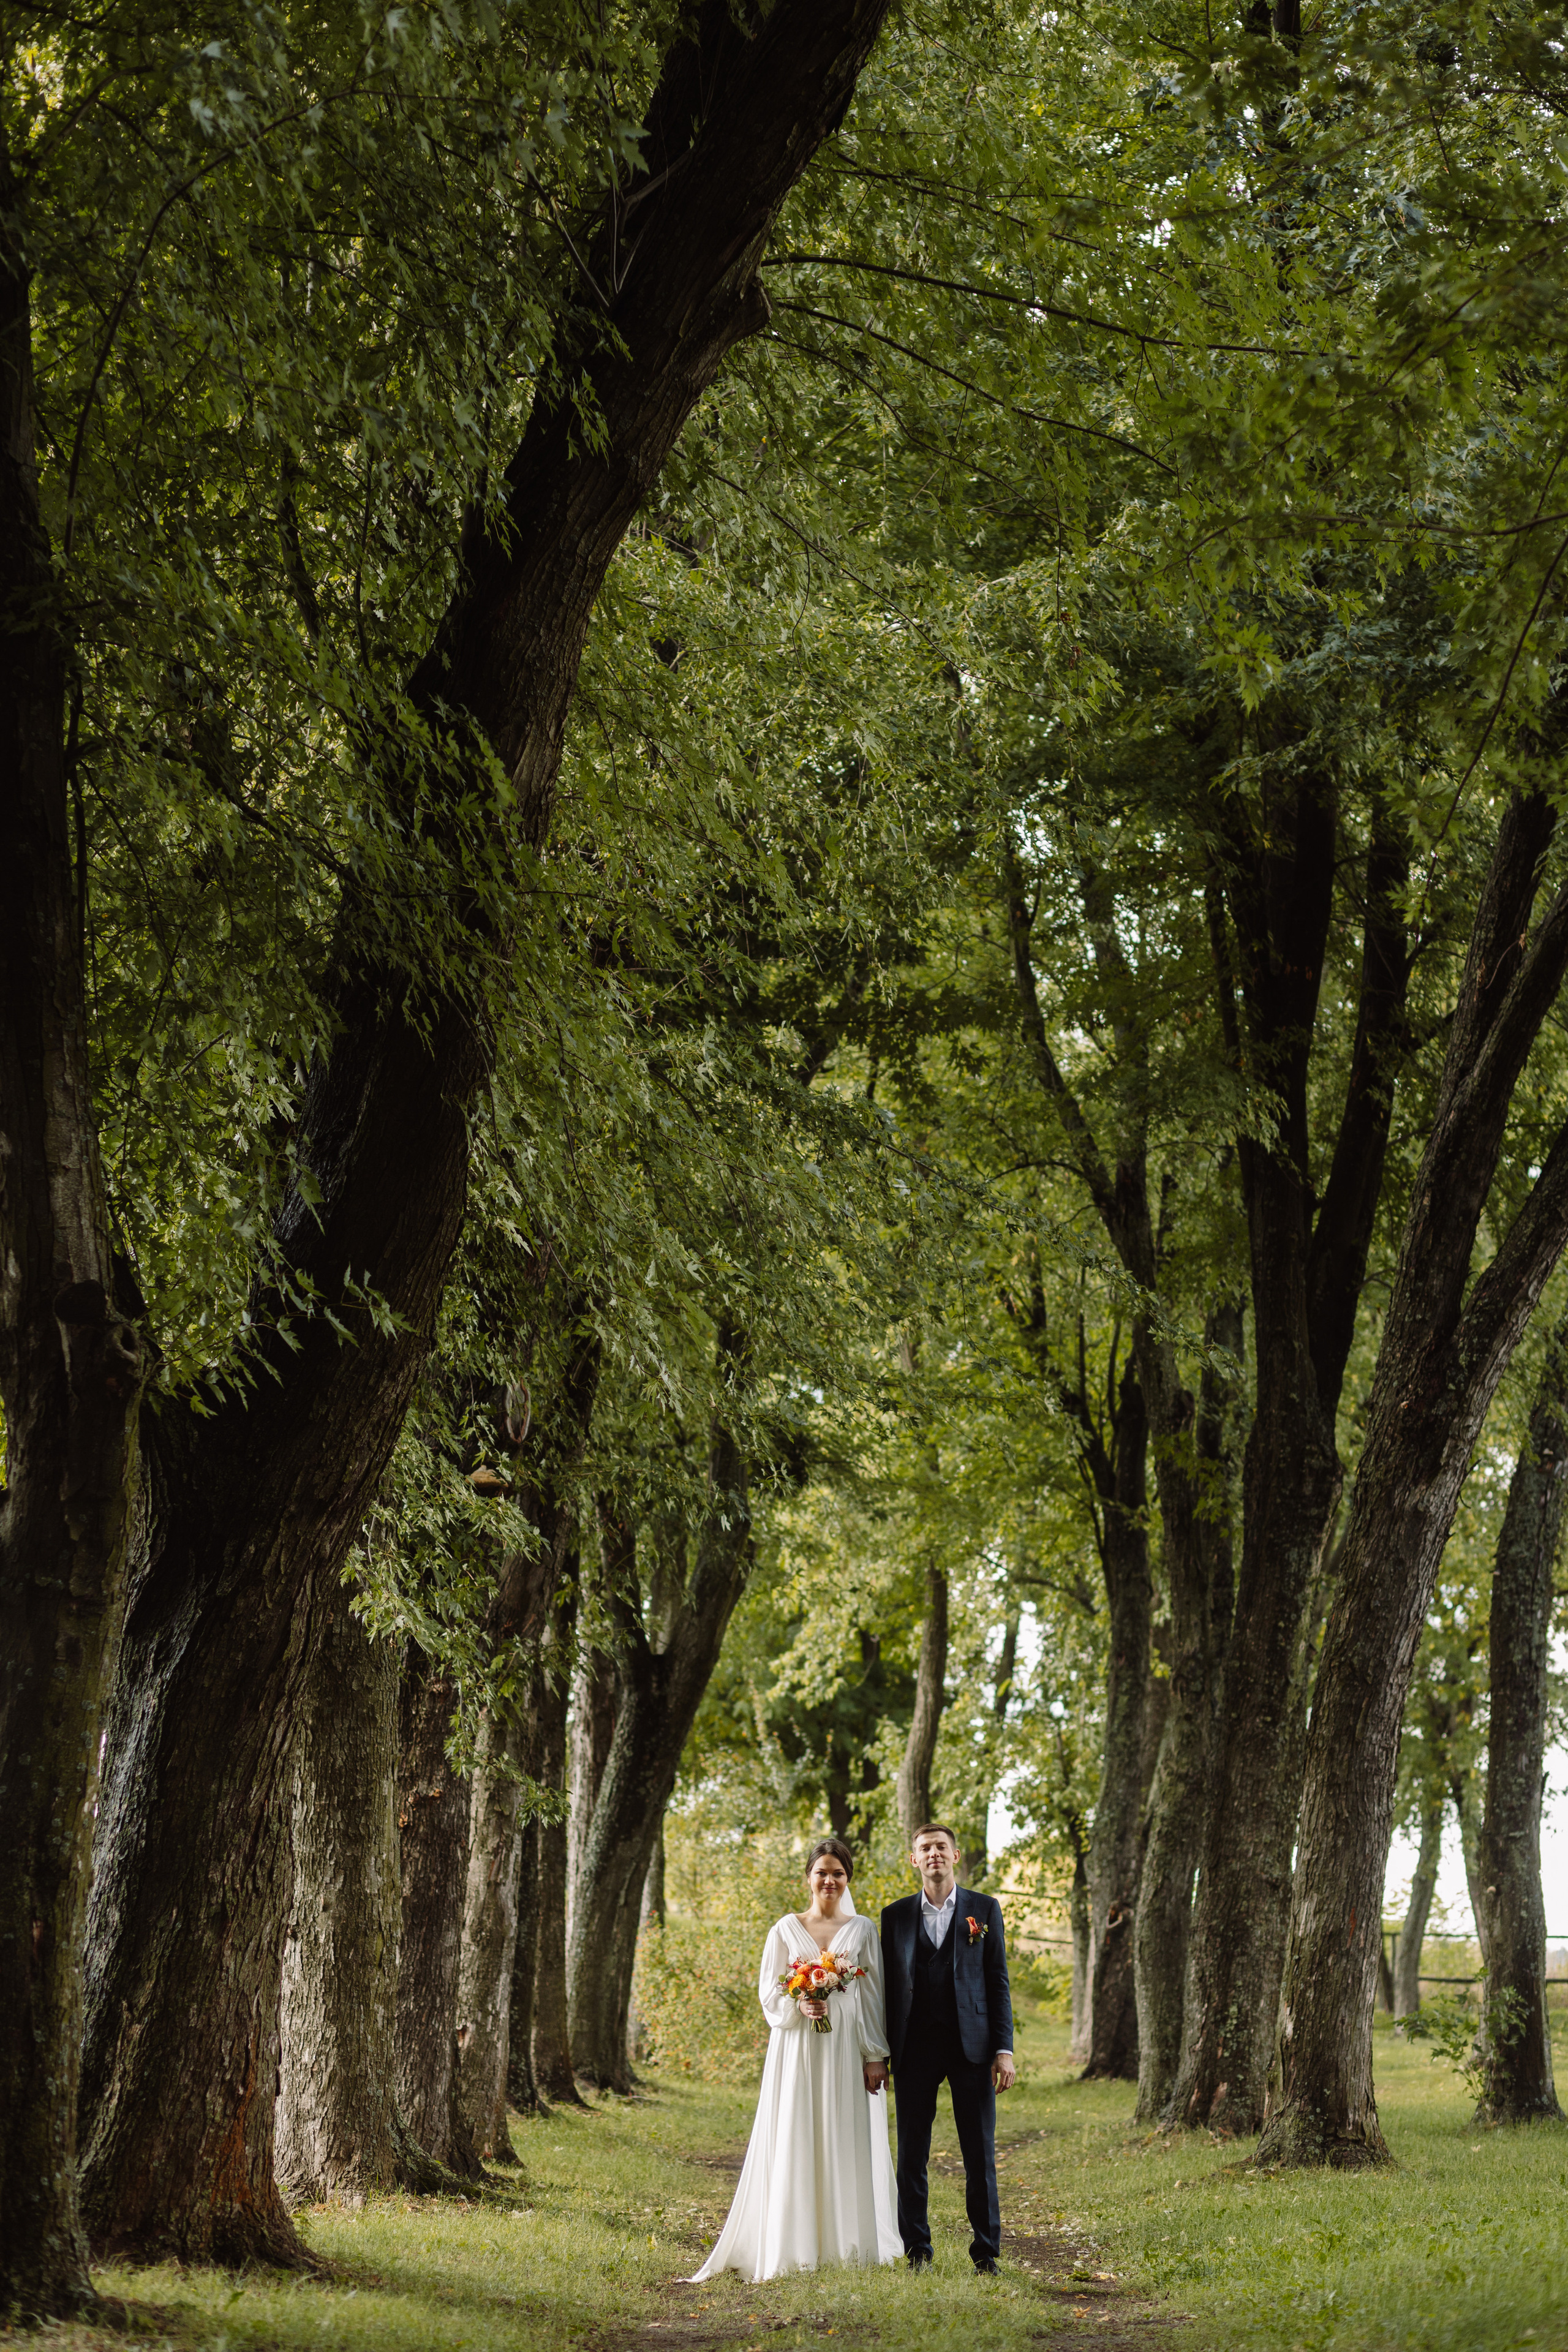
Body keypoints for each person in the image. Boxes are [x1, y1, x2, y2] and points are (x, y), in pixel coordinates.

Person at [688, 1836, 903, 2280]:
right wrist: (799, 2005)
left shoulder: (862, 1929)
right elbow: (769, 1992)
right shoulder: (785, 1929)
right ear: (808, 1877)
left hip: (845, 2048)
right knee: (797, 2130)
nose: (829, 1880)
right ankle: (794, 2242)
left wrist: (875, 2055)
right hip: (798, 2048)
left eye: (838, 1873)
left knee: (843, 2132)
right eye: (822, 1872)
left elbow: (873, 1997)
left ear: (848, 1879)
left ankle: (846, 2244)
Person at [880, 1822, 1014, 2274]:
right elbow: (887, 1992)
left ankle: (986, 2254)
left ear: (956, 1857)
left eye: (942, 1847)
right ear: (914, 1860)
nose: (934, 1853)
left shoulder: (985, 1909)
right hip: (914, 2048)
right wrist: (878, 2052)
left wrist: (1004, 2050)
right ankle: (916, 2250)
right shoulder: (894, 1917)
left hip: (972, 2047)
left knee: (979, 2154)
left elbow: (998, 1983)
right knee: (912, 2154)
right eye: (925, 1848)